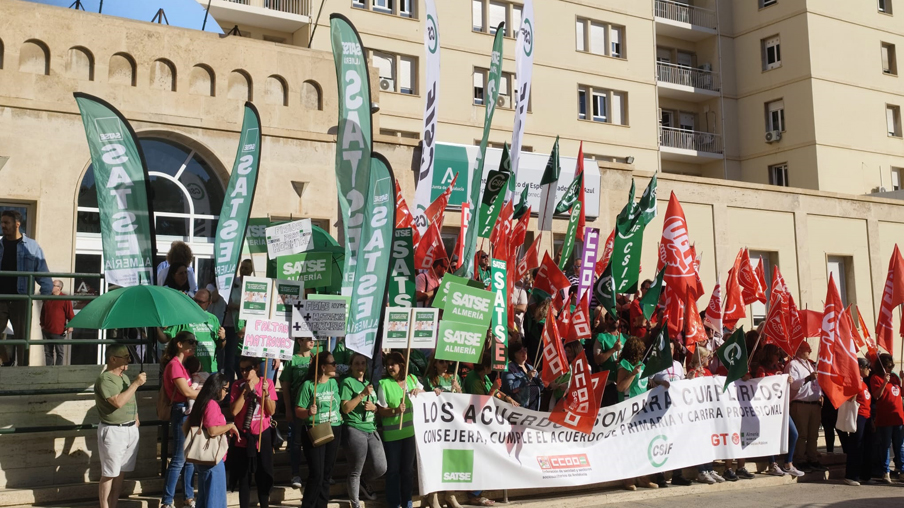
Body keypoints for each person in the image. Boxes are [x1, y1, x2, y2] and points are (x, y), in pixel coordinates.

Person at [95, 345, 146, 508]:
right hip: (114, 430)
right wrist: (136, 383)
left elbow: (130, 398)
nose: (128, 359)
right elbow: (117, 402)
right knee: (110, 473)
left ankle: (114, 505)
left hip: (130, 428)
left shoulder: (124, 377)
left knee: (120, 472)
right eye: (125, 356)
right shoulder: (105, 379)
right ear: (113, 359)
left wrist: (136, 417)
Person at [0, 209, 52, 366]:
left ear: (17, 224)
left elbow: (43, 272)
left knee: (23, 339)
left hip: (21, 300)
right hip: (1, 299)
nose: (3, 226)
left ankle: (23, 371)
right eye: (2, 223)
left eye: (6, 223)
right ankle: (7, 360)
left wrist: (44, 297)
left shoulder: (31, 246)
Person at [376, 352, 424, 508]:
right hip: (392, 436)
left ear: (402, 365)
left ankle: (407, 501)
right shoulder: (384, 384)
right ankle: (394, 502)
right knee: (393, 471)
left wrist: (419, 391)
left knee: (408, 471)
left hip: (409, 434)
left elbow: (425, 395)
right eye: (387, 364)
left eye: (393, 364)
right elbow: (381, 409)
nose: (390, 367)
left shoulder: (412, 380)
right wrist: (395, 411)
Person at [228, 357, 277, 508]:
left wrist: (265, 394)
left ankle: (264, 504)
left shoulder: (267, 383)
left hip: (262, 433)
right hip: (244, 436)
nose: (243, 372)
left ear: (256, 367)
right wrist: (245, 391)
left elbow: (272, 410)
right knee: (244, 476)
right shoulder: (237, 385)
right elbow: (234, 411)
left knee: (263, 473)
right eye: (241, 369)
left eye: (247, 368)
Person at [183, 374, 238, 508]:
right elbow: (213, 430)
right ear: (217, 388)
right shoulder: (211, 404)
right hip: (213, 459)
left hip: (203, 458)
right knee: (215, 500)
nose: (226, 392)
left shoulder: (201, 402)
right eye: (225, 389)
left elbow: (185, 427)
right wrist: (230, 426)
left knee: (204, 498)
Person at [340, 353, 387, 508]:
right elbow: (346, 408)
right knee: (355, 470)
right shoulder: (347, 382)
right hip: (354, 428)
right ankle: (355, 503)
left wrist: (374, 409)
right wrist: (361, 395)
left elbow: (375, 407)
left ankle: (364, 482)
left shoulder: (369, 383)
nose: (360, 367)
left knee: (381, 467)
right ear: (351, 366)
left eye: (363, 363)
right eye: (357, 364)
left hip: (371, 429)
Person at [161, 332, 201, 508]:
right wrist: (206, 393)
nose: (193, 345)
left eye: (195, 342)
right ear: (179, 344)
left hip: (187, 410)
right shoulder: (175, 365)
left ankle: (188, 497)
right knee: (179, 458)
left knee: (189, 458)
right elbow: (186, 392)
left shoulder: (183, 365)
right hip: (181, 410)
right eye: (190, 342)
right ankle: (167, 501)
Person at [615, 336, 658, 490]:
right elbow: (620, 387)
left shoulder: (643, 365)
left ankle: (643, 478)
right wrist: (632, 373)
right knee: (629, 445)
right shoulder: (624, 365)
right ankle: (628, 479)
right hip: (628, 409)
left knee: (642, 444)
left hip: (642, 409)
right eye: (639, 350)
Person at [649, 340, 690, 486]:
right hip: (659, 410)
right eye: (668, 348)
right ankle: (659, 475)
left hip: (676, 409)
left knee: (676, 440)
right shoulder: (656, 364)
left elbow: (682, 384)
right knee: (661, 441)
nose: (670, 351)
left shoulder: (678, 365)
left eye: (672, 349)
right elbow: (649, 382)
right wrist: (660, 384)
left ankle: (677, 474)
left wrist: (689, 378)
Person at [684, 347, 726, 484]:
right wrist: (693, 377)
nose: (710, 359)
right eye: (707, 357)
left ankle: (709, 468)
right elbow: (687, 387)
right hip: (697, 414)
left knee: (709, 442)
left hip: (708, 413)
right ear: (701, 358)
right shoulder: (692, 372)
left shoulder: (707, 372)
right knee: (700, 442)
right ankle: (702, 471)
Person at [157, 288, 225, 372]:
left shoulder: (213, 319)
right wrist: (154, 326)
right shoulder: (183, 318)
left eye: (201, 302)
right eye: (195, 300)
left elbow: (220, 345)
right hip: (188, 371)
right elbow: (164, 339)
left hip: (210, 370)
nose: (196, 304)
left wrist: (223, 338)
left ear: (209, 303)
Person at [784, 341, 826, 472]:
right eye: (807, 349)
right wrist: (808, 378)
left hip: (814, 403)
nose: (810, 352)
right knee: (802, 434)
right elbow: (794, 385)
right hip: (800, 403)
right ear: (799, 350)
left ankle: (812, 458)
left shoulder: (810, 365)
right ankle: (800, 459)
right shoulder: (793, 365)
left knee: (813, 434)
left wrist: (821, 394)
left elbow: (817, 382)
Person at [281, 335, 316, 489]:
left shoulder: (316, 358)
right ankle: (295, 473)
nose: (312, 340)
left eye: (313, 338)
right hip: (297, 407)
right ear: (299, 341)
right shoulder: (292, 359)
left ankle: (315, 473)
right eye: (307, 338)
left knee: (315, 441)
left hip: (315, 409)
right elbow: (286, 386)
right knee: (296, 442)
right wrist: (288, 408)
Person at [870, 353, 904, 483]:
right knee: (885, 445)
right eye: (888, 366)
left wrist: (902, 379)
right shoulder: (876, 378)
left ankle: (902, 470)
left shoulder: (895, 377)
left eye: (892, 366)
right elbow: (877, 396)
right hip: (885, 417)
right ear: (882, 366)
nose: (890, 369)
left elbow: (902, 393)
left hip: (898, 417)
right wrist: (884, 382)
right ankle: (886, 472)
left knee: (900, 446)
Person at [841, 358, 872, 486]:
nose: (869, 369)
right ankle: (851, 475)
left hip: (866, 416)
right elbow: (849, 398)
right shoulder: (854, 381)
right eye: (867, 367)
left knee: (865, 447)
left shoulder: (863, 382)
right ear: (859, 367)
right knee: (856, 445)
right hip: (858, 416)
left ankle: (863, 474)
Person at [224, 259, 254, 381]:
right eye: (242, 268)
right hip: (232, 326)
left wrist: (239, 307)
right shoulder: (233, 283)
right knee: (231, 361)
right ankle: (230, 389)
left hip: (248, 327)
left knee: (245, 359)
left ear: (251, 271)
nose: (244, 271)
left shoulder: (255, 285)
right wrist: (242, 307)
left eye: (247, 268)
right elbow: (228, 303)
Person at [593, 311, 625, 407]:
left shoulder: (624, 337)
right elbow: (597, 359)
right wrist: (613, 350)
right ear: (606, 321)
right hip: (608, 384)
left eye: (617, 318)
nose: (615, 320)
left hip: (622, 383)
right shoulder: (601, 337)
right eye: (611, 318)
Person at [40, 279, 74, 366]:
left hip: (58, 331)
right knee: (48, 352)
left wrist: (71, 325)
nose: (51, 286)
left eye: (53, 285)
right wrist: (42, 325)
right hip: (46, 330)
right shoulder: (47, 298)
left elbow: (70, 314)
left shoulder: (65, 298)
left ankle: (58, 371)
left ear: (59, 288)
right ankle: (49, 371)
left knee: (60, 352)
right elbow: (43, 313)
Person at [501, 341, 543, 410]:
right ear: (513, 355)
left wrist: (539, 379)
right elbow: (510, 388)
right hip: (518, 409)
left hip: (534, 409)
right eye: (520, 351)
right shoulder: (509, 369)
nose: (524, 352)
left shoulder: (531, 368)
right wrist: (527, 377)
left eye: (524, 350)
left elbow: (540, 388)